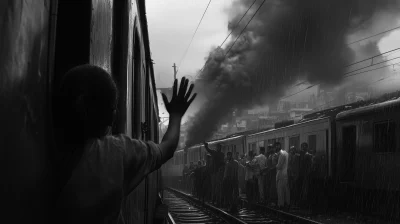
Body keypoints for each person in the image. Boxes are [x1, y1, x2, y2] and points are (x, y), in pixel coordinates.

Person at [53, 65, 196, 223]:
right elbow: (167, 149)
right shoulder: (116, 152)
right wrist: (175, 116)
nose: (112, 118)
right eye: (112, 109)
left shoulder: (26, 157)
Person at [276, 142, 290, 209]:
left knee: (280, 191)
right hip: (286, 174)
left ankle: (281, 205)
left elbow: (279, 166)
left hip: (281, 175)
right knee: (286, 191)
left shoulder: (281, 154)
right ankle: (287, 203)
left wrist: (275, 165)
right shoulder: (286, 153)